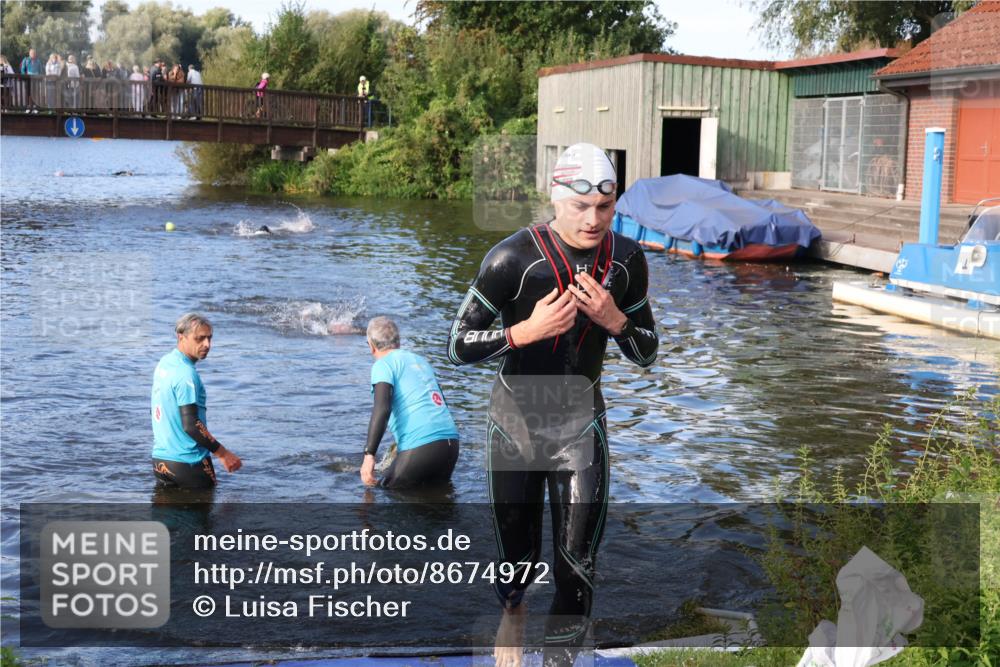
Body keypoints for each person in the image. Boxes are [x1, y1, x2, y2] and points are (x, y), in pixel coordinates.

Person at [447, 142, 658, 667]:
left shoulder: (627, 259)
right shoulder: (512, 259)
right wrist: (523, 332)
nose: (593, 220)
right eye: (581, 206)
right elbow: (456, 345)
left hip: (581, 423)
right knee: (516, 558)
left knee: (577, 565)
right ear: (555, 198)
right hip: (515, 423)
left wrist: (615, 321)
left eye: (605, 207)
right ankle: (513, 612)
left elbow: (647, 351)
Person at [362, 317, 460, 489]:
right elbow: (440, 403)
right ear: (398, 342)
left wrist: (369, 454)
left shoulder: (382, 365)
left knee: (379, 490)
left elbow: (382, 409)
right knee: (436, 498)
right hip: (451, 444)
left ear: (371, 346)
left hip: (421, 445)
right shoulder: (420, 361)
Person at [151, 313, 242, 489]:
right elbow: (191, 425)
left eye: (209, 338)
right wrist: (223, 454)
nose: (207, 344)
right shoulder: (186, 374)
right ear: (181, 337)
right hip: (190, 464)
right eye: (199, 338)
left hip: (161, 461)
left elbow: (157, 410)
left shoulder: (164, 363)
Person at [19, 48, 42, 112]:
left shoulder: (38, 61)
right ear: (29, 53)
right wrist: (25, 76)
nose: (33, 54)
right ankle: (28, 107)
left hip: (36, 79)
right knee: (28, 93)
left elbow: (40, 70)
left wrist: (40, 77)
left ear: (35, 54)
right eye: (32, 53)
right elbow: (22, 69)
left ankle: (35, 107)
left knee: (36, 93)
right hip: (28, 78)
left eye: (34, 53)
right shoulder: (26, 60)